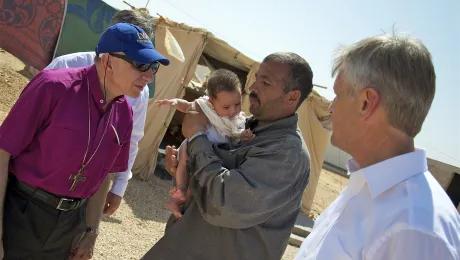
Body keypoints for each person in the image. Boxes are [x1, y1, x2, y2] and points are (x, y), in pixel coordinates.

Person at [0, 23, 169, 259]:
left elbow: (104, 175)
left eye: (153, 68)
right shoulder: (54, 86)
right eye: (141, 65)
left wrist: (91, 231)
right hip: (20, 213)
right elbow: (3, 152)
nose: (149, 76)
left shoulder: (125, 114)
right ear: (109, 61)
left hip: (71, 226)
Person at [295, 34, 460, 260]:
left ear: (366, 102)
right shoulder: (367, 186)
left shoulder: (413, 231)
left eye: (338, 95)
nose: (331, 107)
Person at [142, 52, 313, 260]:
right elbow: (212, 172)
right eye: (256, 78)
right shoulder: (241, 125)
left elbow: (222, 203)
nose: (252, 88)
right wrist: (184, 167)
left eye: (265, 82)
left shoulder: (287, 153)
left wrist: (196, 137)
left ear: (292, 97)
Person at [44, 9, 153, 216]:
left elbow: (130, 140)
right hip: (33, 191)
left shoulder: (139, 92)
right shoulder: (63, 68)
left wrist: (119, 187)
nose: (145, 73)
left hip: (82, 199)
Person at [155, 69, 254, 218]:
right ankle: (180, 188)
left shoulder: (238, 119)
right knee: (183, 164)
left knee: (196, 178)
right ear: (212, 101)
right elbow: (188, 106)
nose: (233, 110)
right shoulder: (206, 108)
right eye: (226, 107)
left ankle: (178, 202)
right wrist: (174, 102)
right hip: (194, 144)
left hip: (211, 152)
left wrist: (243, 136)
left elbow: (234, 135)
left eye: (237, 104)